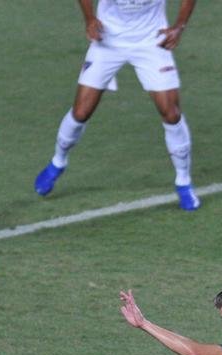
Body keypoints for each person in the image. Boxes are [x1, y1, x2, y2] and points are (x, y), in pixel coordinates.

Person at [34, 0, 201, 210]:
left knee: (171, 113)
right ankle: (58, 162)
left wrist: (179, 26)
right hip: (108, 40)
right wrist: (90, 19)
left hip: (151, 41)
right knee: (81, 112)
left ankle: (183, 182)